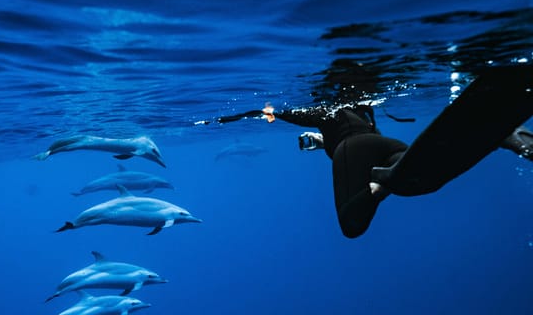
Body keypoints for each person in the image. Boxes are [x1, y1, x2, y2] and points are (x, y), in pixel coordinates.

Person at [212, 66, 533, 238]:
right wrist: (324, 141)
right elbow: (351, 133)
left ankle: (381, 185)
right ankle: (499, 136)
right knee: (422, 176)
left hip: (358, 151)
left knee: (352, 224)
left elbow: (271, 112)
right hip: (386, 147)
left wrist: (232, 116)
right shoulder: (364, 109)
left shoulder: (321, 112)